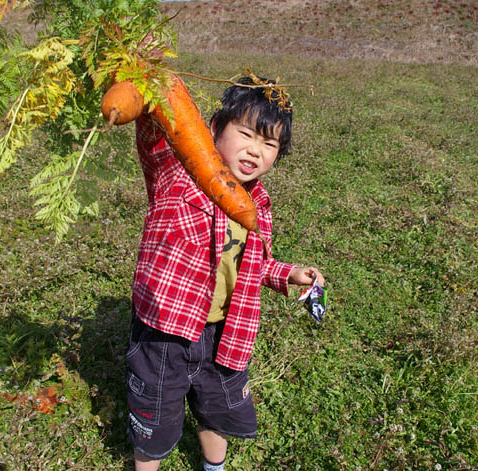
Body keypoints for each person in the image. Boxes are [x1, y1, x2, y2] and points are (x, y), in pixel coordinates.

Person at [127, 75, 325, 471]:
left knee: (216, 410)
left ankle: (213, 468)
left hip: (224, 333)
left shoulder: (259, 203)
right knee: (155, 418)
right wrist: (144, 77)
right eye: (247, 134)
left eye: (269, 144)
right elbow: (154, 132)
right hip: (166, 331)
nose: (255, 151)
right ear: (215, 127)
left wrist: (289, 275)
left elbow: (252, 265)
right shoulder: (177, 173)